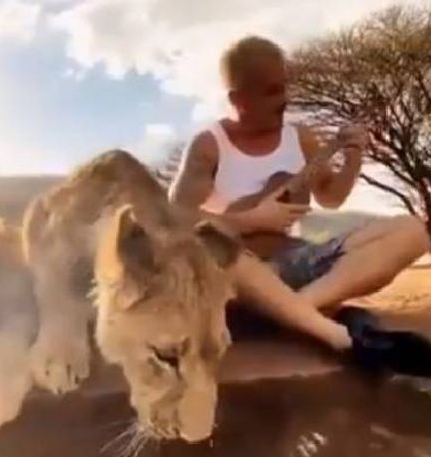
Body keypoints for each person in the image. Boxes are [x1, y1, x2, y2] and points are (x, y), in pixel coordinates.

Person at [169, 36, 431, 374]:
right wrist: (250, 219)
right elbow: (174, 217)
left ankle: (292, 311)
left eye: (284, 87)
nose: (284, 100)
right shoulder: (210, 145)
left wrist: (353, 158)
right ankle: (312, 320)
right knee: (212, 247)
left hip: (296, 263)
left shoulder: (301, 137)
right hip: (241, 272)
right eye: (271, 91)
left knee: (412, 231)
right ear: (238, 99)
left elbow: (331, 197)